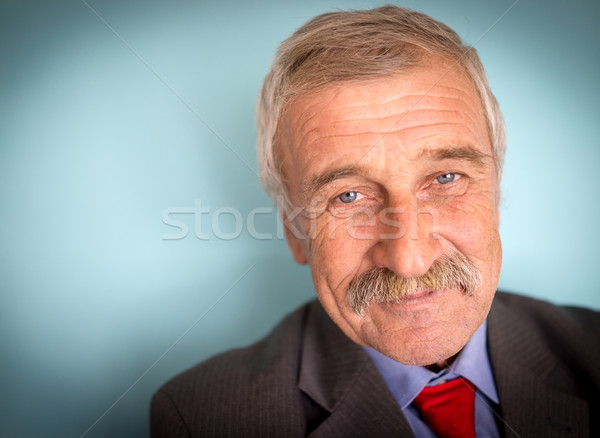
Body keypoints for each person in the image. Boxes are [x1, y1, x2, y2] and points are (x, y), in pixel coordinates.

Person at [150, 6, 600, 437]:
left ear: (494, 194)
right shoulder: (203, 416)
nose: (410, 260)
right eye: (348, 196)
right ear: (295, 231)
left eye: (445, 178)